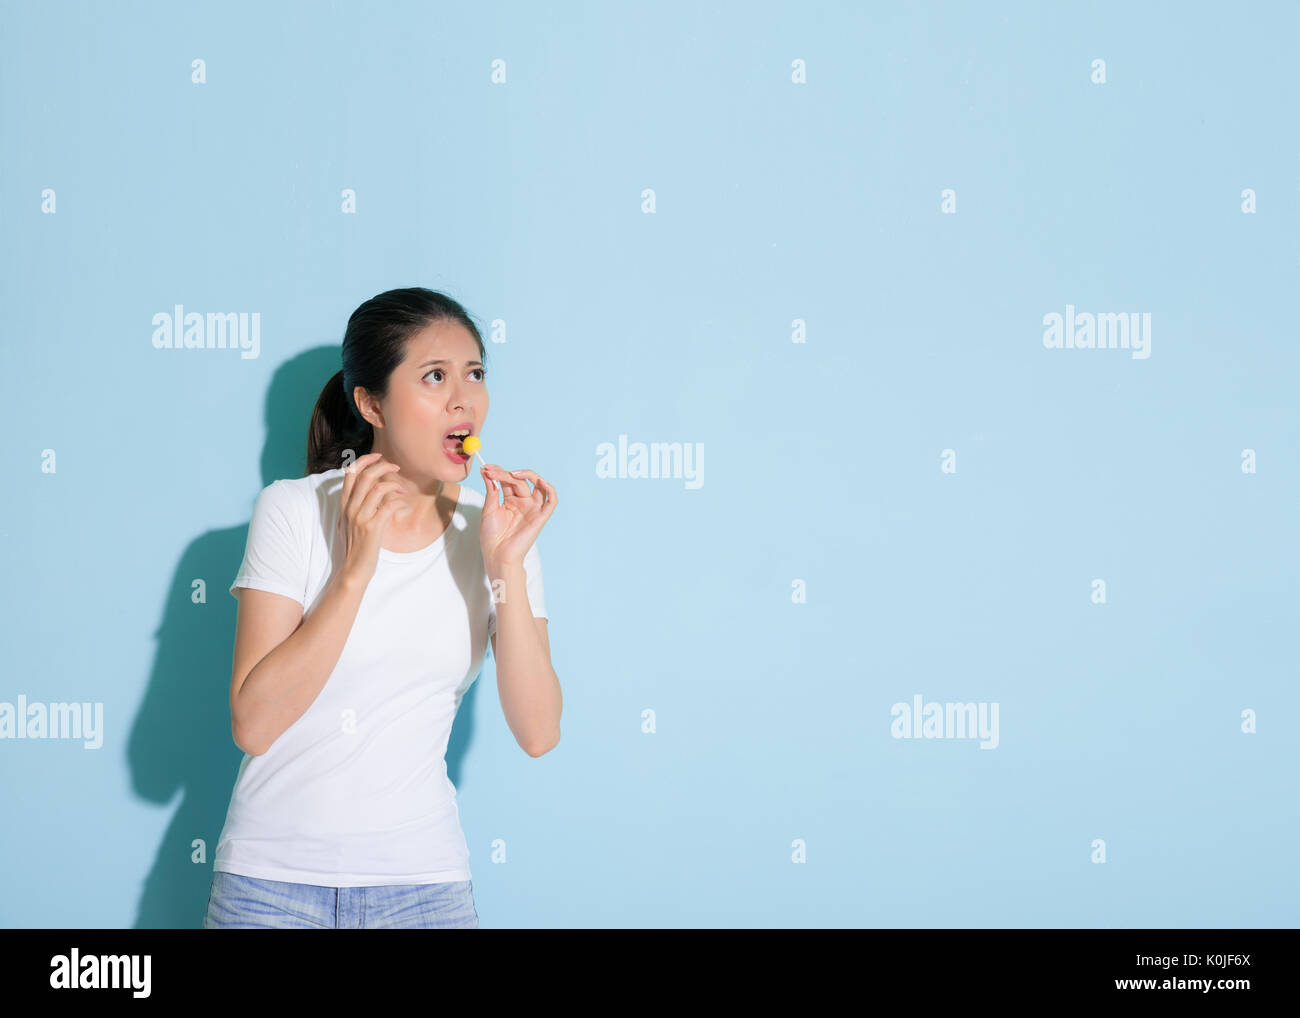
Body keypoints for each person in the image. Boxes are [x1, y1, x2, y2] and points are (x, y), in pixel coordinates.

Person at [202, 287, 561, 928]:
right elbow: (252, 725)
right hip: (271, 886)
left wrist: (506, 565)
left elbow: (539, 732)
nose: (464, 400)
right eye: (434, 376)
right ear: (371, 404)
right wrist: (355, 570)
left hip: (424, 888)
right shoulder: (293, 510)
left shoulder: (499, 534)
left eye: (475, 374)